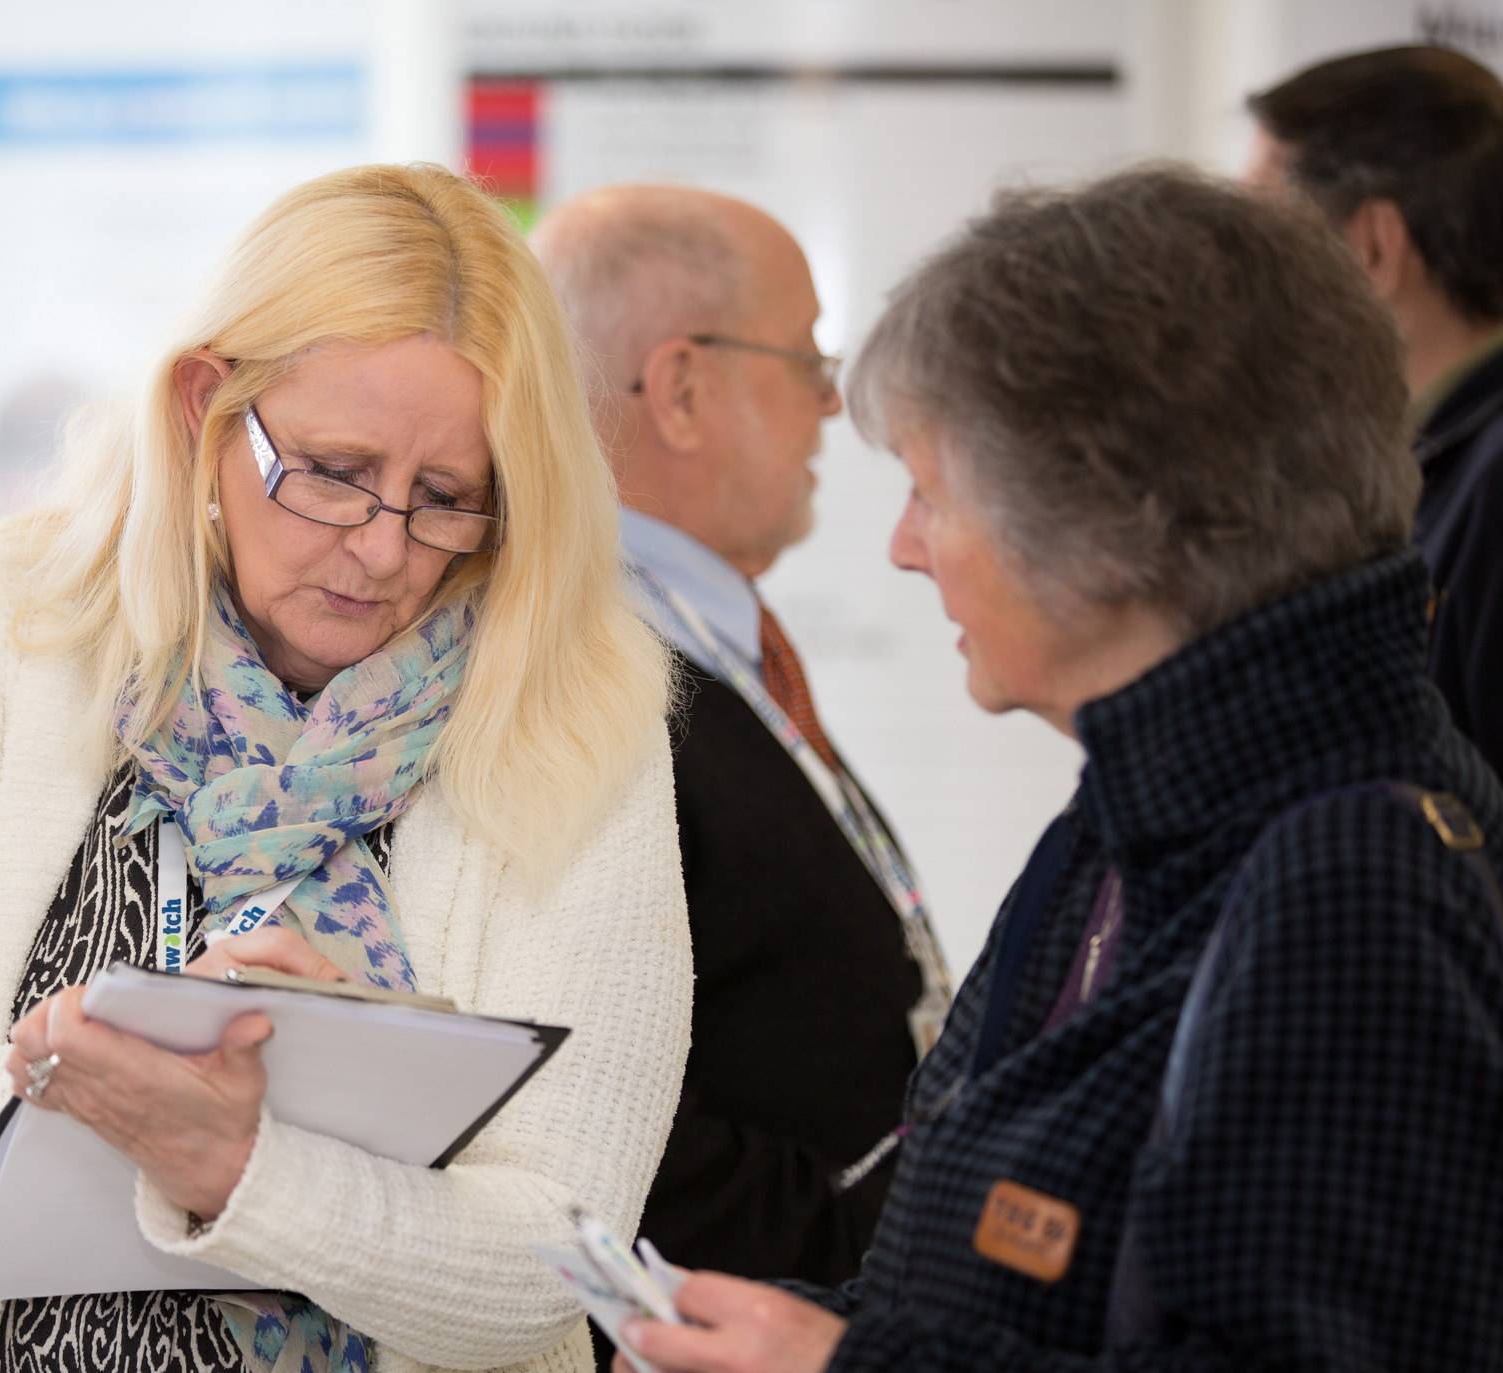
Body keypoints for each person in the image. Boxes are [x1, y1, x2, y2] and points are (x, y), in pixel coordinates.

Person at [0, 163, 693, 1373]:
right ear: (205, 407)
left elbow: (555, 1261)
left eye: (447, 495)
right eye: (336, 471)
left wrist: (242, 1167)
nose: (381, 549)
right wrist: (124, 1084)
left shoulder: (579, 718)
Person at [614, 167, 1503, 1373]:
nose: (903, 546)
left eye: (933, 492)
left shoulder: (1352, 878)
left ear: (1111, 513)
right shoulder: (1136, 808)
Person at [530, 186, 951, 1294]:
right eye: (808, 358)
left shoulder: (692, 649)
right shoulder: (583, 684)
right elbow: (599, 1118)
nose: (827, 404)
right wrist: (867, 1246)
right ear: (678, 389)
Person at [1244, 46, 1503, 776]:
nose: (1233, 283)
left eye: (1259, 236)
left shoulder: (1488, 482)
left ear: (1371, 248)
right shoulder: (1432, 464)